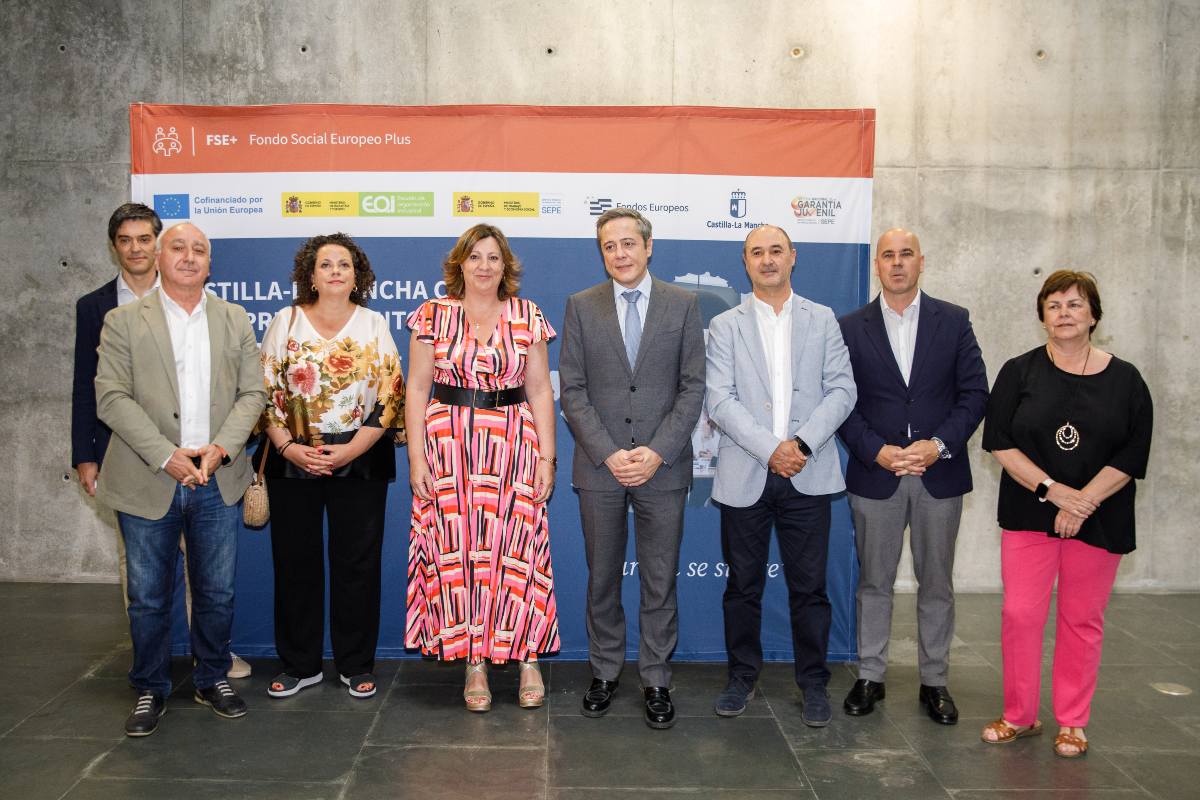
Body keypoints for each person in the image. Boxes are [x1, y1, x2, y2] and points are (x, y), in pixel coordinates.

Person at [95, 222, 266, 736]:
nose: (189, 257)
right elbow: (111, 398)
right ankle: (150, 685)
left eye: (199, 250)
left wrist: (221, 449)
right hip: (151, 476)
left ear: (209, 265)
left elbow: (252, 395)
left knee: (217, 592)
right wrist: (166, 455)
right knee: (148, 595)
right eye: (178, 248)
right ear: (158, 258)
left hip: (216, 476)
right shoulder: (123, 320)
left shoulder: (234, 318)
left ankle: (211, 677)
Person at [980, 270, 1152, 758]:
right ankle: (1019, 715)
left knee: (1081, 618)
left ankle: (1073, 722)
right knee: (1020, 614)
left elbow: (1134, 452)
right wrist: (1054, 491)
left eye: (1075, 305)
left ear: (1093, 314)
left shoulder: (1127, 379)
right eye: (1054, 305)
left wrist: (1083, 502)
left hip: (1099, 516)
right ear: (1042, 316)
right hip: (1030, 510)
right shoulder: (1019, 371)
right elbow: (999, 441)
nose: (1064, 313)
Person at [559, 207, 705, 729]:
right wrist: (608, 451)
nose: (619, 254)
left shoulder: (683, 304)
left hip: (662, 469)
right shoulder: (581, 306)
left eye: (627, 244)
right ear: (602, 254)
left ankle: (657, 679)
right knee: (601, 578)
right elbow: (571, 389)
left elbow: (693, 386)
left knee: (659, 580)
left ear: (648, 247)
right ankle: (603, 672)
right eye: (609, 246)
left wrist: (659, 450)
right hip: (600, 468)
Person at [405, 224, 560, 712]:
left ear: (505, 265)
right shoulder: (433, 315)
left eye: (494, 257)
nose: (485, 266)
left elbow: (539, 391)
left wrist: (547, 457)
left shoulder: (527, 314)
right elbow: (416, 389)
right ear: (460, 264)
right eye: (476, 257)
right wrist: (415, 456)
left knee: (518, 551)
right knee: (460, 552)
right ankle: (475, 661)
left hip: (513, 444)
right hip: (449, 447)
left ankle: (528, 656)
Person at [705, 225, 856, 726]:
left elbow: (842, 390)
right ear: (744, 263)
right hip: (747, 470)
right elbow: (719, 400)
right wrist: (772, 449)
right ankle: (741, 677)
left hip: (808, 473)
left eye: (775, 251)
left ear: (793, 257)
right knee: (742, 587)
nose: (767, 260)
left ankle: (814, 684)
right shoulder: (726, 325)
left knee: (809, 588)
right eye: (756, 253)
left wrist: (802, 445)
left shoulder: (823, 319)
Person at [837, 228, 988, 724]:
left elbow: (974, 395)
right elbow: (840, 400)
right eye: (888, 256)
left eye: (906, 255)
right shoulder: (851, 326)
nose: (897, 263)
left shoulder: (955, 321)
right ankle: (870, 676)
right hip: (875, 473)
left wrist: (938, 445)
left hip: (936, 474)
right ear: (876, 266)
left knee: (936, 583)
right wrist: (875, 450)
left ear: (921, 261)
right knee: (874, 583)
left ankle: (935, 682)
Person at [260, 233, 405, 701]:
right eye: (326, 264)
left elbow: (390, 396)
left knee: (356, 566)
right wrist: (286, 448)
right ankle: (300, 664)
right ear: (311, 274)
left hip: (359, 459)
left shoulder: (373, 324)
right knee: (295, 564)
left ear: (358, 275)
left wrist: (350, 450)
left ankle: (355, 664)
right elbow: (262, 393)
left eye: (345, 264)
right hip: (294, 458)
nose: (336, 271)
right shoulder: (284, 322)